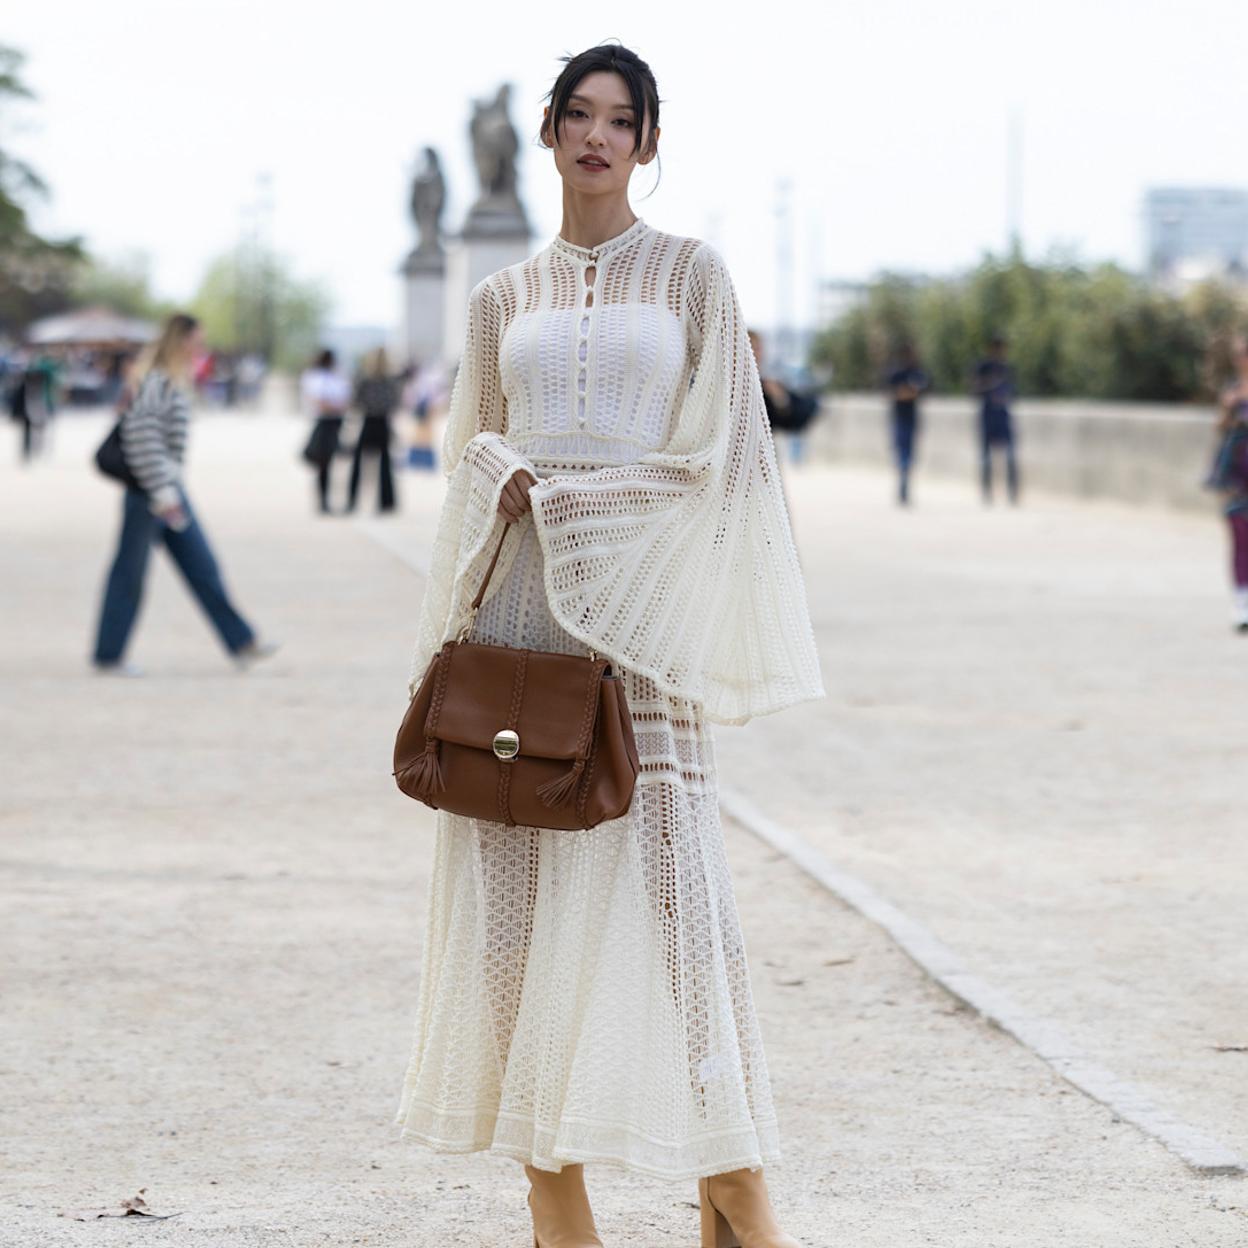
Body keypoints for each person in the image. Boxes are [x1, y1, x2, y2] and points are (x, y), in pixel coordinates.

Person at [393, 44, 823, 1248]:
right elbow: (466, 448)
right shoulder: (501, 298)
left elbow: (724, 456)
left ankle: (734, 1184)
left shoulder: (691, 276)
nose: (596, 137)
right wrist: (500, 466)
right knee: (513, 913)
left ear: (647, 142)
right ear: (545, 132)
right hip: (516, 621)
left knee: (680, 905)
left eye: (620, 120)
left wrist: (581, 501)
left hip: (637, 623)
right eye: (578, 115)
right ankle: (555, 1206)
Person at [91, 313, 276, 675]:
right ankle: (109, 654)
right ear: (182, 340)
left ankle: (241, 640)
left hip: (166, 491)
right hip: (151, 493)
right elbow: (141, 438)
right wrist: (162, 491)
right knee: (130, 574)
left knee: (202, 567)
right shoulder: (158, 381)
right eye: (197, 340)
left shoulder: (169, 380)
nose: (201, 347)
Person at [1208, 341, 1248, 631]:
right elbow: (1220, 429)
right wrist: (1228, 408)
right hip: (1236, 473)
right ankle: (1241, 604)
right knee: (1240, 538)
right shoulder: (1232, 390)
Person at [347, 346, 398, 513]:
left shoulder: (365, 380)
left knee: (358, 463)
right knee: (385, 464)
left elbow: (355, 401)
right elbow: (395, 402)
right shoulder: (390, 381)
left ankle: (352, 499)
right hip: (382, 422)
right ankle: (386, 502)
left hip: (369, 421)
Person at [300, 348, 351, 513]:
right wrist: (335, 407)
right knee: (323, 462)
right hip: (324, 422)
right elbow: (319, 401)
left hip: (334, 422)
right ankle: (323, 500)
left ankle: (327, 499)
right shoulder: (317, 378)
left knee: (330, 462)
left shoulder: (332, 377)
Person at [972, 334, 1019, 504]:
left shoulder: (1006, 368)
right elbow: (974, 389)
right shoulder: (983, 367)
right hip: (987, 415)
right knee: (986, 457)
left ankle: (1012, 492)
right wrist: (990, 384)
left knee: (1011, 455)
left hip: (1003, 415)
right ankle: (987, 492)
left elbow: (1014, 392)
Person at [886, 344, 930, 506]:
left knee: (909, 455)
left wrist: (907, 393)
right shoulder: (896, 373)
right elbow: (892, 393)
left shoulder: (917, 373)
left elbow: (924, 390)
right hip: (899, 418)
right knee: (901, 453)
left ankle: (905, 486)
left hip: (912, 418)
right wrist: (906, 393)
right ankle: (902, 486)